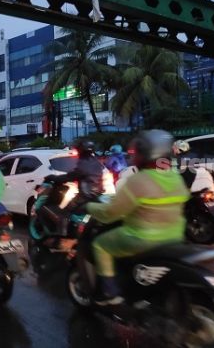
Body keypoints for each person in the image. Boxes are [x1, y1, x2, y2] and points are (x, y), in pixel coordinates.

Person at [85, 130, 190, 306]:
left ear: (144, 154)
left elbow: (110, 213)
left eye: (135, 153)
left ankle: (110, 292)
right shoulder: (175, 177)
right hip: (175, 237)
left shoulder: (139, 180)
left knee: (100, 244)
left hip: (142, 238)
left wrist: (88, 207)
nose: (132, 157)